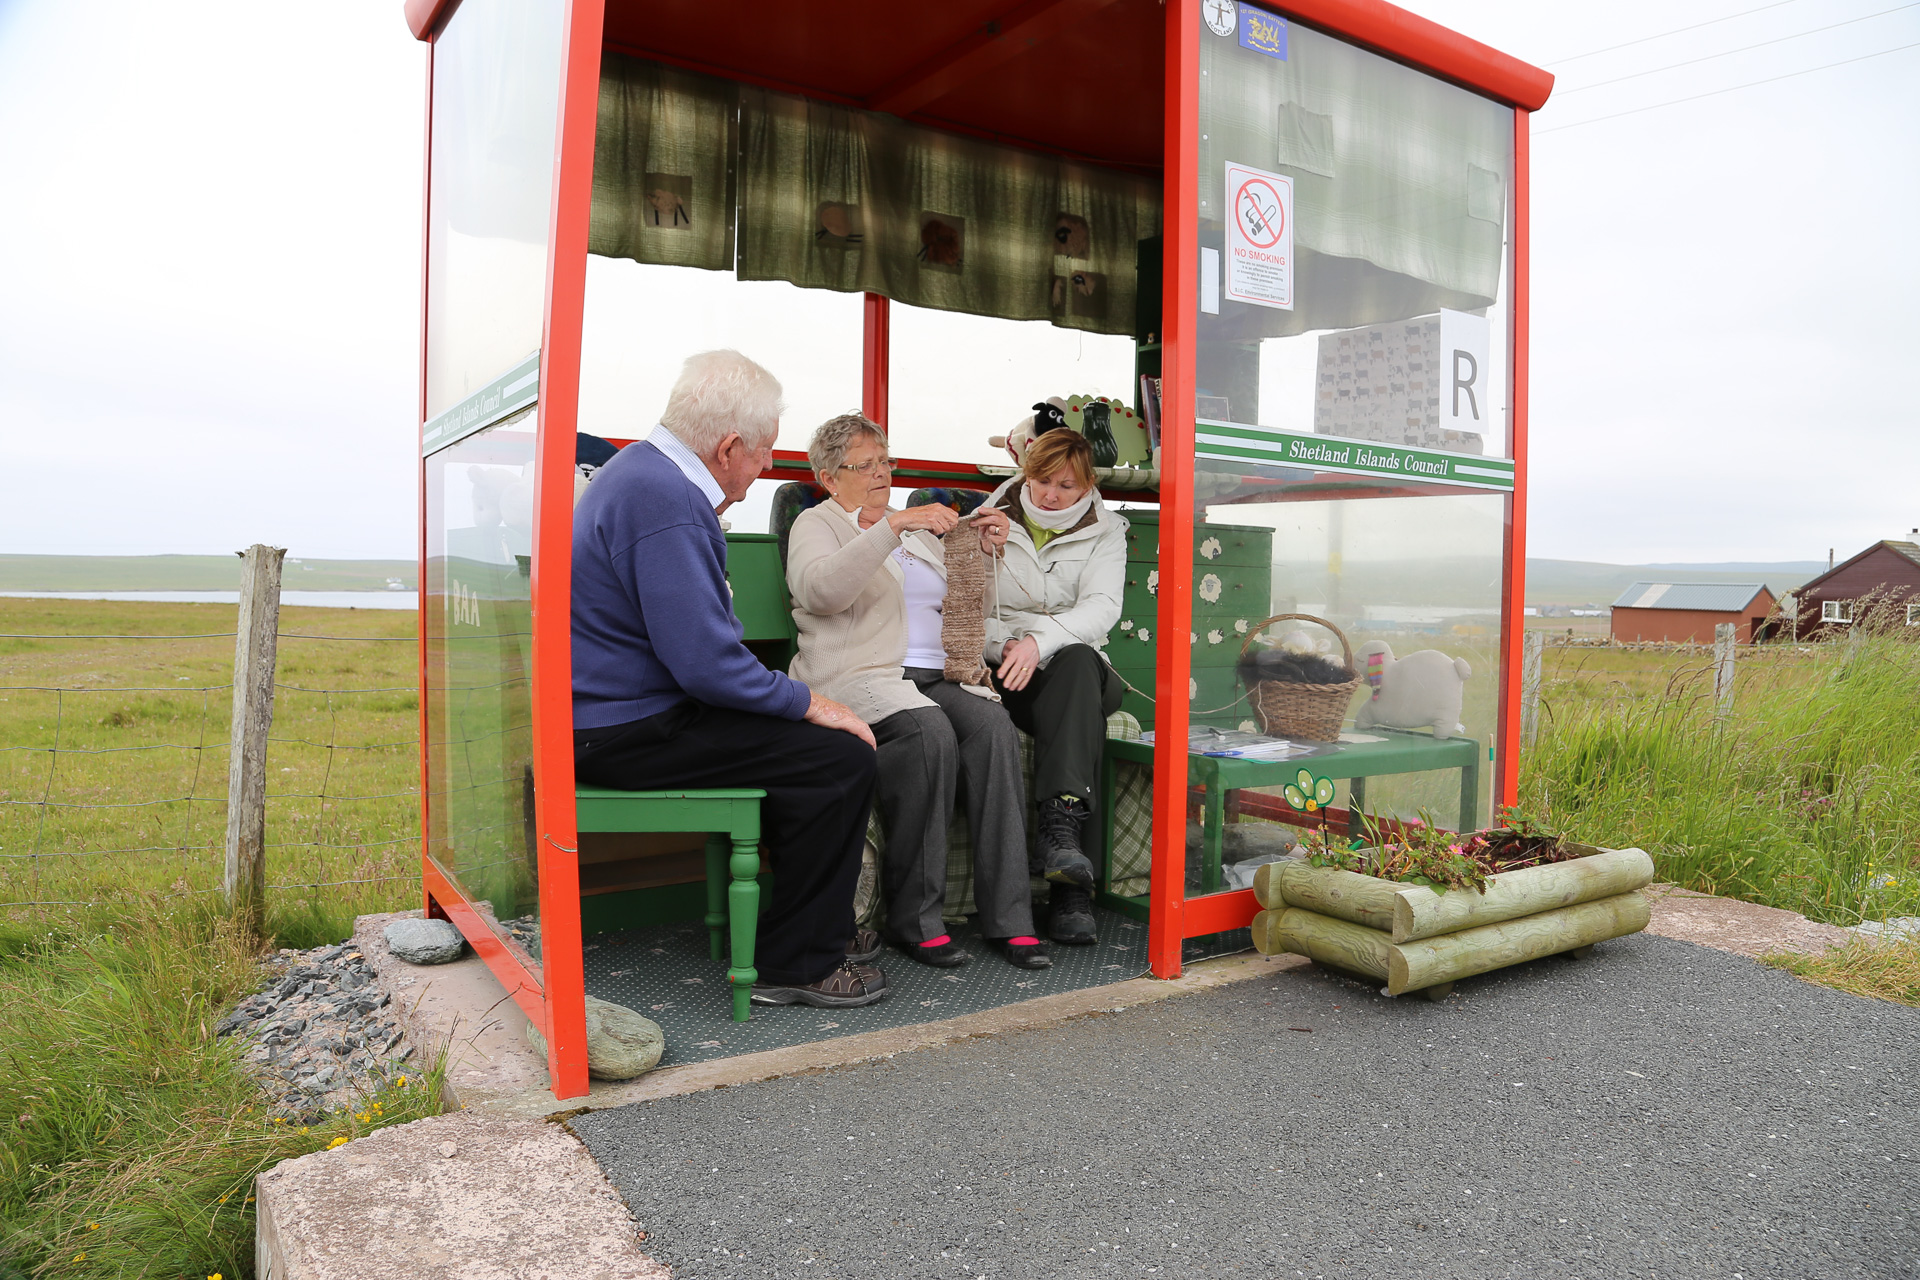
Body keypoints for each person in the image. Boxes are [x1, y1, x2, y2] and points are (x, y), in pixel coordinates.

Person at [571, 350, 890, 1008]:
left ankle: (815, 929)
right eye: (764, 450)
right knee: (839, 758)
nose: (767, 464)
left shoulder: (640, 473)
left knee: (807, 753)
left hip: (619, 714)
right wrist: (810, 702)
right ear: (728, 447)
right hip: (628, 728)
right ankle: (798, 962)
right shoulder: (665, 499)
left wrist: (788, 705)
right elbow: (707, 664)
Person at [785, 414, 1050, 970]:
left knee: (993, 727)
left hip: (935, 674)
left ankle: (1011, 918)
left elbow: (966, 605)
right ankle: (916, 920)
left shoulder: (918, 534)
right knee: (927, 732)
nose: (881, 474)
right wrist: (893, 526)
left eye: (885, 462)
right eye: (865, 465)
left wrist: (987, 553)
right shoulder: (819, 523)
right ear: (830, 478)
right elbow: (821, 591)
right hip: (862, 676)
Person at [982, 428, 1127, 946]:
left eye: (1066, 486)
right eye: (1042, 481)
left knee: (1078, 668)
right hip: (1008, 670)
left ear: (1088, 485)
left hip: (1079, 665)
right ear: (1026, 474)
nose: (1050, 495)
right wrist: (1005, 646)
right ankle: (1070, 893)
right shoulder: (989, 518)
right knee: (1077, 719)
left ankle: (1059, 831)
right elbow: (964, 605)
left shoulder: (1107, 531)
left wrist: (1039, 643)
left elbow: (1103, 607)